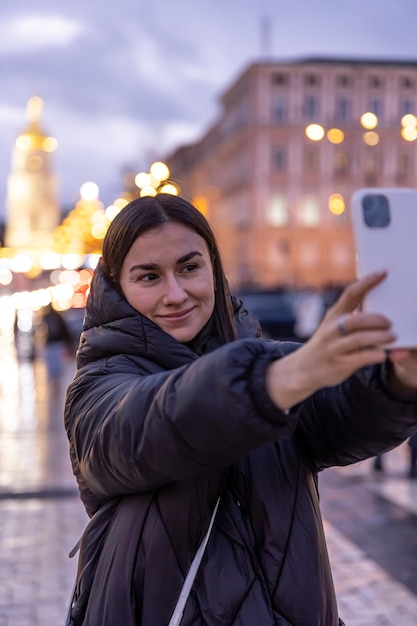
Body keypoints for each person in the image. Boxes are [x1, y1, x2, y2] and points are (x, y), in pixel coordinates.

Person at [64, 194, 417, 626]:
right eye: (149, 277)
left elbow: (346, 414)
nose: (175, 294)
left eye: (190, 268)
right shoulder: (99, 384)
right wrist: (279, 380)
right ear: (117, 285)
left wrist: (400, 379)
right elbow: (145, 425)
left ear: (214, 269)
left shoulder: (271, 363)